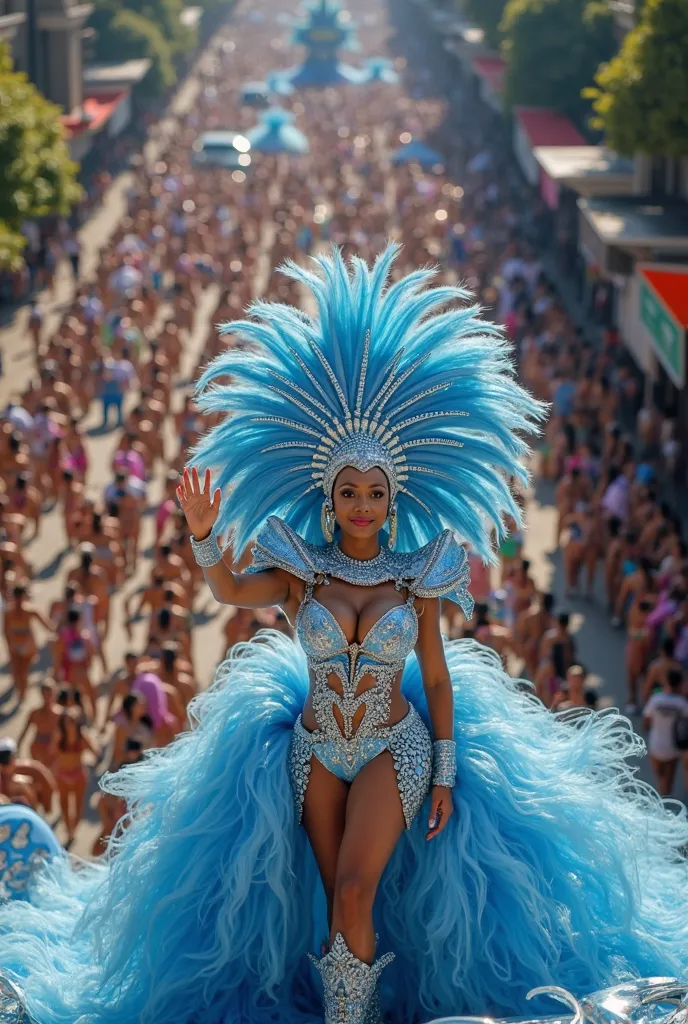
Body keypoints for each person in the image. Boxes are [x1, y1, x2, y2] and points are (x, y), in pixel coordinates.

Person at [1, 250, 688, 1024]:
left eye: (374, 493)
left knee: (358, 891)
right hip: (313, 746)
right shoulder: (300, 571)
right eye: (350, 491)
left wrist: (447, 770)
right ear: (330, 498)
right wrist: (201, 535)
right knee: (333, 906)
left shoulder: (416, 576)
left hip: (397, 746)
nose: (362, 504)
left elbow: (434, 679)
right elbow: (229, 588)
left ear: (393, 500)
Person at [643, 669, 688, 797]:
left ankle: (662, 795)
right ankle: (665, 797)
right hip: (672, 747)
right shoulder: (682, 703)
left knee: (659, 777)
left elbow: (646, 721)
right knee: (668, 780)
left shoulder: (656, 700)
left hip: (655, 744)